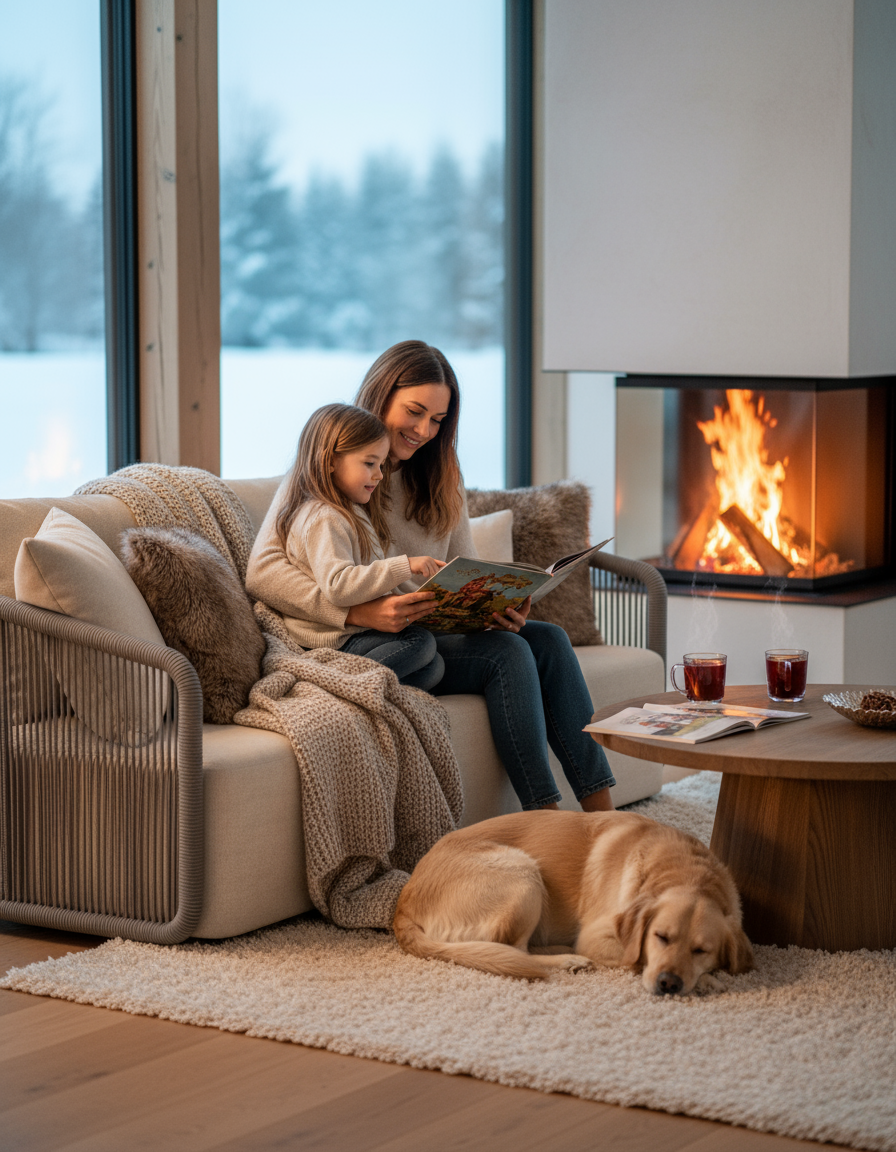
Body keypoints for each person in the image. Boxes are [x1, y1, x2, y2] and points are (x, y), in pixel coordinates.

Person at [249, 343, 616, 812]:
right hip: (372, 635)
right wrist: (359, 612)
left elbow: (465, 566)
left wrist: (496, 603)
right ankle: (544, 816)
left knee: (548, 639)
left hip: (431, 625)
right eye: (415, 412)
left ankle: (602, 814)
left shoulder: (443, 473)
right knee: (508, 654)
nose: (424, 430)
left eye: (438, 420)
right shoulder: (336, 468)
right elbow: (262, 572)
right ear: (382, 396)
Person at [246, 402, 446, 691]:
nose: (379, 475)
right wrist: (405, 566)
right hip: (332, 641)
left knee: (434, 666)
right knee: (420, 643)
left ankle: (364, 688)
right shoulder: (324, 517)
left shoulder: (350, 512)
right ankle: (334, 686)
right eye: (369, 464)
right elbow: (338, 586)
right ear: (329, 461)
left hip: (352, 634)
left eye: (381, 464)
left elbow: (363, 580)